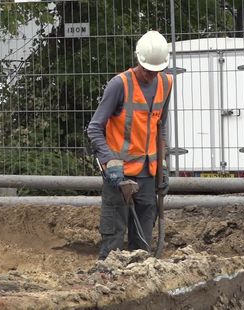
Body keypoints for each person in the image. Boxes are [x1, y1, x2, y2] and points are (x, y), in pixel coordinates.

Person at [87, 30, 173, 260]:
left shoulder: (166, 83)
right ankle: (107, 281)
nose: (151, 76)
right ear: (138, 61)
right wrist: (108, 160)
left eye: (157, 71)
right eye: (147, 71)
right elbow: (94, 128)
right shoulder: (120, 85)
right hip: (119, 176)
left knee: (142, 246)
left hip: (147, 176)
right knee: (113, 241)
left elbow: (159, 126)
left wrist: (163, 164)